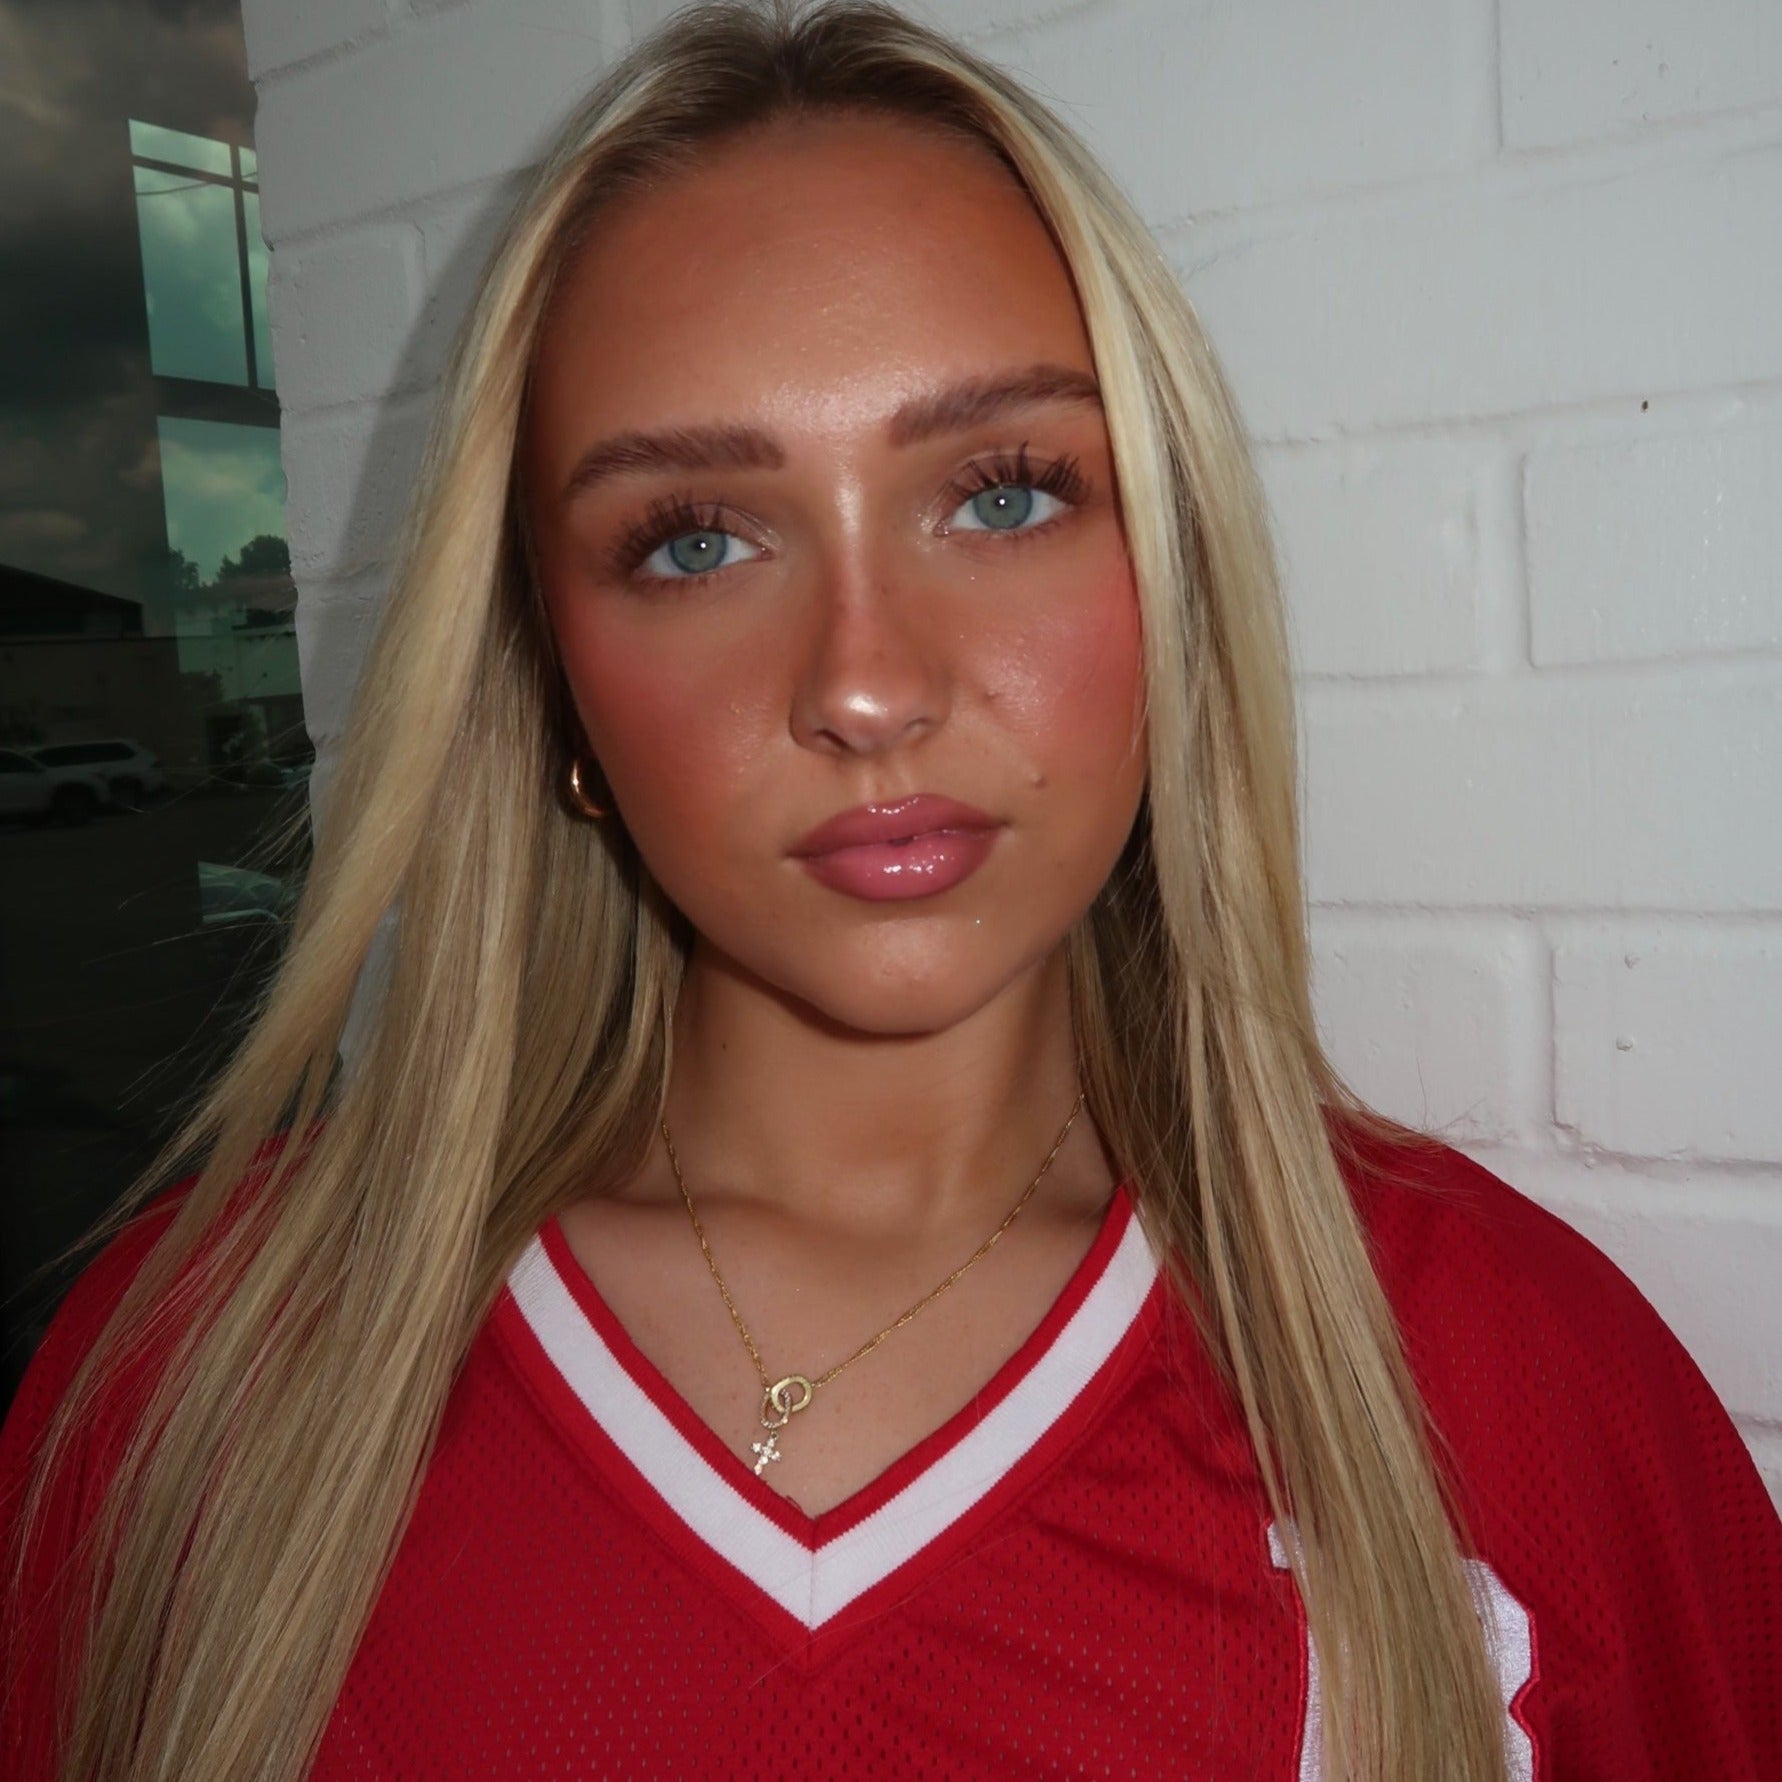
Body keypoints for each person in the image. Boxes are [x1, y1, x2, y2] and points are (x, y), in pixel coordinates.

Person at [4, 2, 1779, 1777]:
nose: (864, 683)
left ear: (1172, 574)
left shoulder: (1517, 1383)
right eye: (696, 539)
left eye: (1000, 497)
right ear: (550, 680)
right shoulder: (193, 1380)